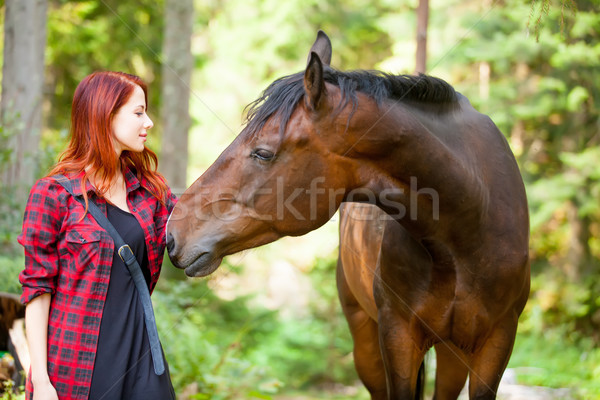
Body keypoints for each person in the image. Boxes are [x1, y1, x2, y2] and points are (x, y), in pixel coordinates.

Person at [18, 71, 178, 400]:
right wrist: (42, 381)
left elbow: (195, 225)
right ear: (105, 114)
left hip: (144, 366)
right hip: (77, 368)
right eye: (138, 112)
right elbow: (37, 291)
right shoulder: (53, 195)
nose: (148, 122)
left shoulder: (149, 190)